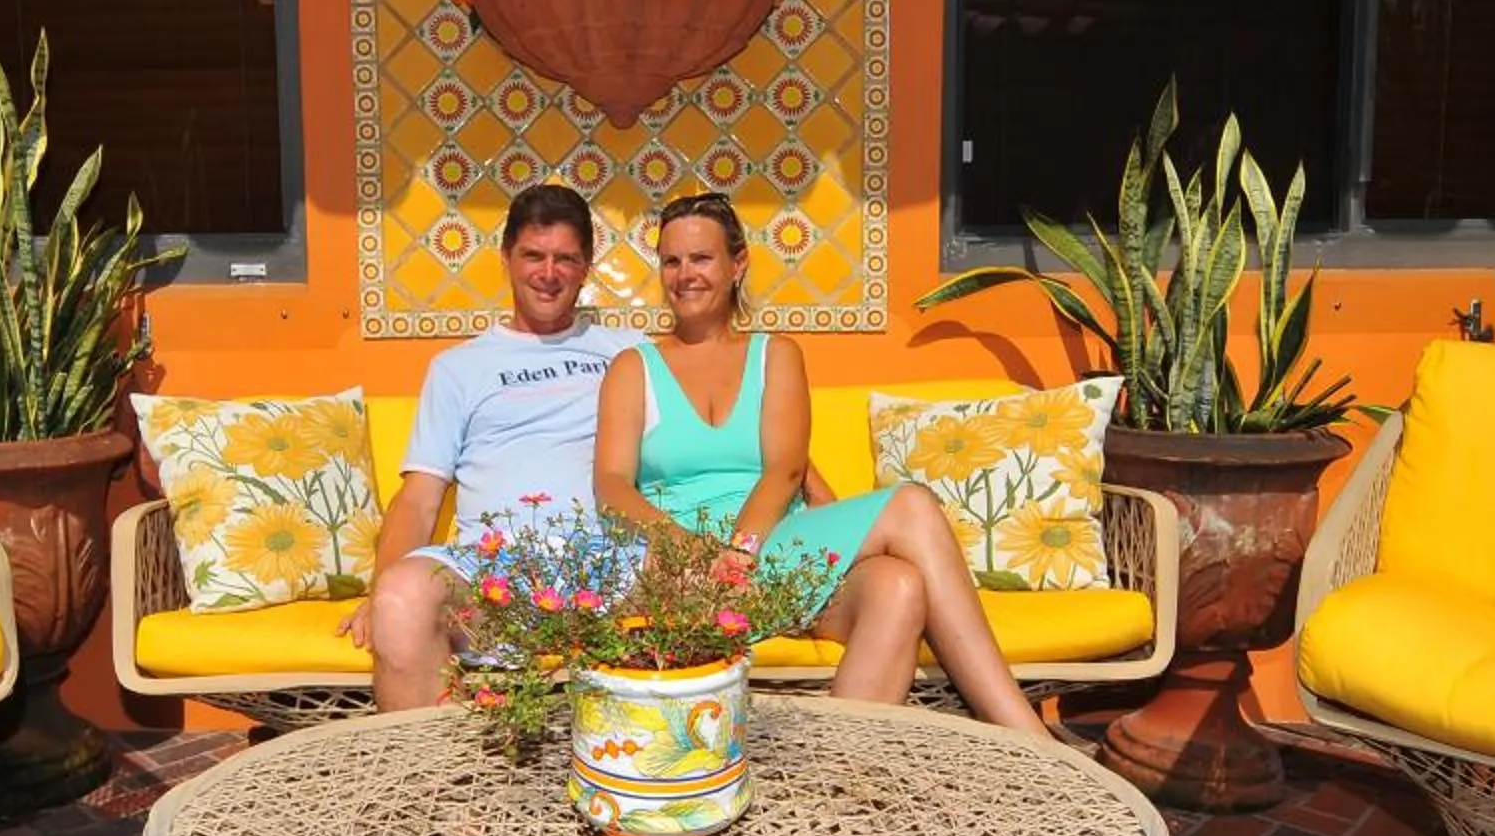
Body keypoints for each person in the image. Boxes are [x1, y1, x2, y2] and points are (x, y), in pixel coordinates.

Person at [592, 191, 1052, 738]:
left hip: (768, 554)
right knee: (909, 512)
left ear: (737, 265)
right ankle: (1028, 736)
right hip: (681, 572)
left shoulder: (776, 356)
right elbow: (611, 484)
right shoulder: (633, 367)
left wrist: (739, 556)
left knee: (897, 583)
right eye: (672, 260)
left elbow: (785, 470)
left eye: (701, 258)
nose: (684, 274)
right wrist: (692, 551)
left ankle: (840, 772)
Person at [342, 183, 635, 710]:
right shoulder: (459, 368)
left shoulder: (627, 352)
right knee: (403, 596)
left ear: (587, 267)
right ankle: (430, 784)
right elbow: (419, 498)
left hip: (607, 570)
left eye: (566, 259)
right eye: (534, 256)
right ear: (506, 259)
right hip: (491, 577)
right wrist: (378, 592)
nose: (549, 273)